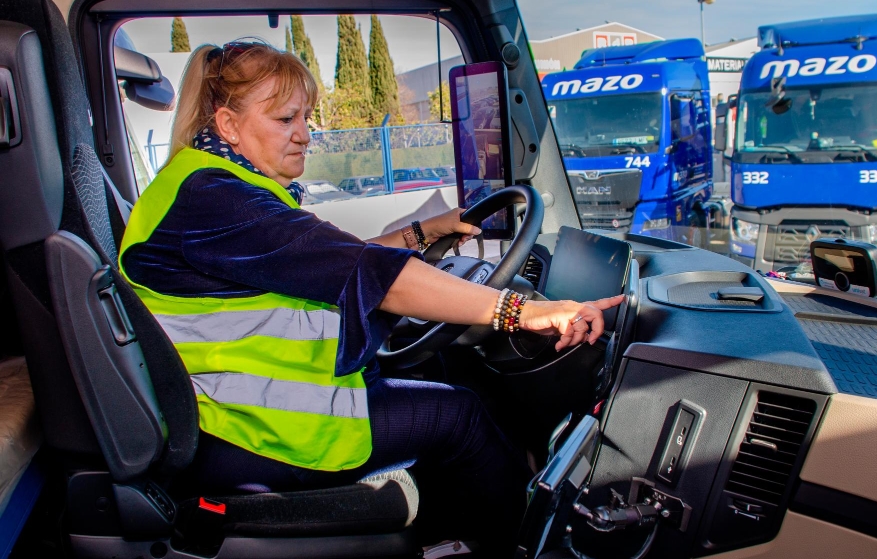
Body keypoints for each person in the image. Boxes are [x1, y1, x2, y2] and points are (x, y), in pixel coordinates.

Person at [117, 41, 623, 552]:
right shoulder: (216, 199)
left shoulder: (207, 185)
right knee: (461, 415)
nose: (305, 134)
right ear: (227, 125)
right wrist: (525, 311)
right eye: (286, 118)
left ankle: (450, 532)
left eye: (306, 117)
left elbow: (329, 256)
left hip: (235, 410)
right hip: (254, 429)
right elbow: (372, 273)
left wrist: (423, 233)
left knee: (440, 372)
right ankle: (526, 547)